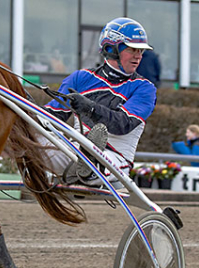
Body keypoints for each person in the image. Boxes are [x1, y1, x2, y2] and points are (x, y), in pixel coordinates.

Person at [42, 17, 158, 185]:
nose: (138, 56)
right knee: (26, 136)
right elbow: (52, 116)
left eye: (141, 51)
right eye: (133, 49)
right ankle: (85, 162)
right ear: (112, 49)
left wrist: (90, 108)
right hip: (73, 152)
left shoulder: (144, 88)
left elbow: (123, 124)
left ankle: (89, 165)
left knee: (95, 160)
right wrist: (24, 114)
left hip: (115, 159)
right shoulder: (80, 78)